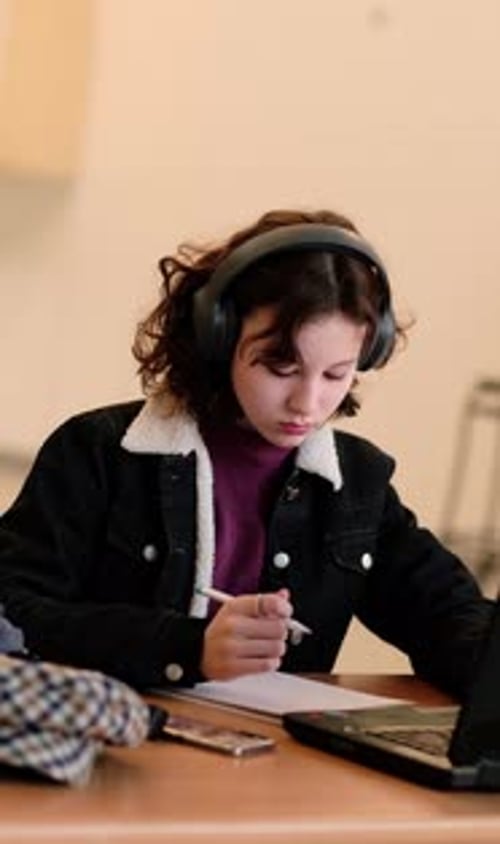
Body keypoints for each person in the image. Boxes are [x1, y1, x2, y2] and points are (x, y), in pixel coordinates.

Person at [0, 208, 493, 696]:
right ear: (217, 338)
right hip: (112, 746)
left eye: (336, 374)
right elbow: (13, 608)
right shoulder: (99, 452)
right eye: (280, 366)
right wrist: (187, 648)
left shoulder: (356, 483)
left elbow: (449, 614)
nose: (308, 402)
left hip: (270, 767)